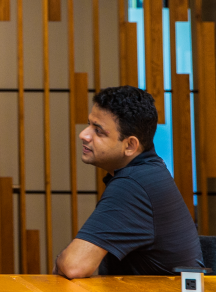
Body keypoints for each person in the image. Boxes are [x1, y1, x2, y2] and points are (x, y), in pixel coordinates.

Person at [54, 86, 202, 278]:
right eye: (89, 124)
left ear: (130, 145)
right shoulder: (148, 171)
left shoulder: (134, 184)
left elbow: (74, 266)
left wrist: (60, 259)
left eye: (98, 131)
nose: (84, 134)